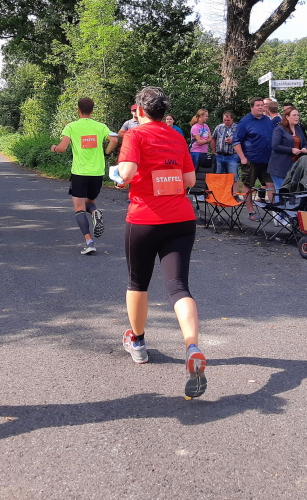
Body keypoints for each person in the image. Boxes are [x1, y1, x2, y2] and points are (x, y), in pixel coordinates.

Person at [115, 86, 206, 398]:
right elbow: (190, 180)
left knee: (137, 283)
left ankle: (138, 343)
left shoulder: (135, 135)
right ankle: (192, 346)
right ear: (163, 110)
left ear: (139, 110)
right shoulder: (177, 136)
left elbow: (127, 172)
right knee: (178, 287)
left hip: (144, 220)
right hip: (181, 220)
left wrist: (120, 176)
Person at [51, 97, 118, 255]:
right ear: (92, 111)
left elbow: (62, 148)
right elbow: (114, 139)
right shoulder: (100, 126)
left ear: (78, 111)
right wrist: (106, 152)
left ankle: (89, 242)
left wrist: (54, 148)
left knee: (79, 208)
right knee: (90, 203)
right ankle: (95, 213)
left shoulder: (71, 127)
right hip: (97, 172)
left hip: (80, 173)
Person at [233, 97, 274, 219]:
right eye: (258, 105)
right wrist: (242, 158)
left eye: (262, 105)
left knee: (270, 184)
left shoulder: (267, 120)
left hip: (267, 160)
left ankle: (275, 212)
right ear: (252, 107)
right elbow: (236, 141)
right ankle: (251, 212)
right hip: (251, 159)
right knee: (248, 185)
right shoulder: (245, 122)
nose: (261, 107)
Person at [268, 107, 307, 193]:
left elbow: (305, 143)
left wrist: (305, 148)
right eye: (294, 115)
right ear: (287, 117)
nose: (296, 117)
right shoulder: (279, 129)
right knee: (281, 191)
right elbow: (275, 146)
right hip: (280, 166)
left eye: (297, 115)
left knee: (292, 192)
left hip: (295, 165)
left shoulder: (298, 129)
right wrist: (291, 150)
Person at [210, 111, 239, 189]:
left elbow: (242, 140)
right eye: (224, 120)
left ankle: (234, 194)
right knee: (218, 176)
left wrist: (232, 141)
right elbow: (213, 139)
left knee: (234, 176)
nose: (226, 122)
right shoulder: (219, 127)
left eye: (228, 120)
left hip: (232, 155)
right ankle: (218, 193)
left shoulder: (237, 128)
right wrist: (214, 151)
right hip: (219, 155)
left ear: (232, 119)